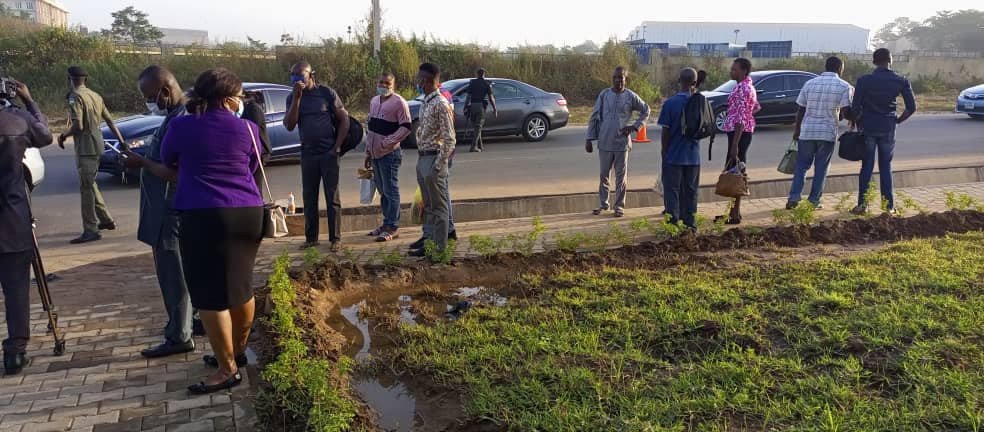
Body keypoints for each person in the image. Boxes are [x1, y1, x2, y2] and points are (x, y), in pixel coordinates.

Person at [135, 68, 263, 394]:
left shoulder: (180, 127)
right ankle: (236, 353)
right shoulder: (248, 129)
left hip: (203, 214)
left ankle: (226, 369)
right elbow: (251, 166)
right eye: (238, 96)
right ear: (228, 98)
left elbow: (169, 164)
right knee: (241, 288)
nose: (240, 102)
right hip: (247, 214)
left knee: (209, 296)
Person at [120, 66, 201, 359]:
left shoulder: (181, 119)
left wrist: (141, 162)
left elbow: (175, 172)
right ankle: (190, 321)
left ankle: (180, 335)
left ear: (165, 91)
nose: (149, 102)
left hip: (170, 212)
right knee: (182, 271)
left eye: (151, 96)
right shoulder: (174, 116)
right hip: (166, 209)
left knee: (173, 274)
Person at [0, 79, 52, 375]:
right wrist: (29, 101)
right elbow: (44, 135)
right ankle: (15, 353)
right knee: (16, 288)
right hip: (12, 220)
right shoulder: (16, 120)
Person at [284, 61, 350, 252]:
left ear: (311, 75)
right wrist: (297, 98)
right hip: (308, 154)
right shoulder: (292, 97)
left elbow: (344, 119)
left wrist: (336, 147)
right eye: (293, 76)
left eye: (300, 76)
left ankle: (335, 239)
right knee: (309, 197)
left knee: (332, 198)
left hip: (328, 153)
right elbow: (289, 125)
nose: (296, 80)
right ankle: (311, 238)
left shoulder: (326, 93)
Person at [56, 66, 125, 244]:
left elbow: (78, 126)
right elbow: (110, 120)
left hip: (85, 149)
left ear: (70, 78)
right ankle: (106, 220)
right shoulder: (96, 96)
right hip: (98, 146)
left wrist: (63, 135)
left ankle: (91, 229)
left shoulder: (75, 97)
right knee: (90, 184)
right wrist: (122, 141)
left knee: (86, 190)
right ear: (85, 79)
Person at [850, 48, 916, 215]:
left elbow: (855, 108)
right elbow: (911, 108)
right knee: (886, 166)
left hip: (868, 126)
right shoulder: (901, 80)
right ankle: (889, 207)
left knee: (866, 166)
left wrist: (858, 122)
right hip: (888, 126)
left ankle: (862, 205)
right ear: (890, 60)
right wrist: (897, 121)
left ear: (874, 61)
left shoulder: (864, 80)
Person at [787, 56, 853, 210]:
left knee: (801, 166)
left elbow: (801, 109)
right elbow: (846, 111)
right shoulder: (844, 86)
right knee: (821, 168)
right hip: (827, 133)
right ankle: (814, 201)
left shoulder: (810, 83)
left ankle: (793, 198)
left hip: (807, 131)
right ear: (839, 68)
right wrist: (853, 119)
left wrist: (797, 130)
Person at [586, 66, 650, 218]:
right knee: (604, 175)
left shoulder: (630, 96)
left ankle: (619, 207)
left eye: (621, 78)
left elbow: (646, 110)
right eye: (615, 78)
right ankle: (603, 204)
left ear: (625, 79)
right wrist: (589, 138)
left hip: (621, 143)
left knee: (621, 177)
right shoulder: (604, 95)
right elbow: (594, 116)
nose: (618, 80)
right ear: (612, 79)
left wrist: (635, 126)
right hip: (604, 142)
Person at [410, 63, 456, 260]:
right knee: (427, 207)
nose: (418, 82)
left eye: (420, 79)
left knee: (439, 208)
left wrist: (438, 165)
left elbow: (450, 139)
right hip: (423, 157)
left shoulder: (440, 104)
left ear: (428, 81)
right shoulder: (426, 102)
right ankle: (429, 244)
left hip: (433, 159)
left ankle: (439, 251)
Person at [365, 73, 412, 242]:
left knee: (391, 191)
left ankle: (393, 226)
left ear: (393, 85)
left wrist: (388, 142)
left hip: (389, 154)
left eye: (387, 83)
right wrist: (368, 152)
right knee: (383, 191)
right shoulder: (374, 101)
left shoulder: (399, 102)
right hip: (375, 154)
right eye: (381, 82)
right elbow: (370, 126)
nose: (384, 86)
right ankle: (386, 223)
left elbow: (406, 127)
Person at [658, 68, 704, 231]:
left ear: (679, 80)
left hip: (674, 156)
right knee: (691, 192)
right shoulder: (700, 102)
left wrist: (664, 152)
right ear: (694, 83)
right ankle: (690, 225)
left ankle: (672, 226)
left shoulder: (670, 104)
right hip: (693, 156)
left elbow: (666, 131)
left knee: (672, 191)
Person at [717, 58, 760, 225]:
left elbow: (741, 118)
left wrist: (735, 143)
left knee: (736, 173)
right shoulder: (747, 86)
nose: (731, 71)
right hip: (740, 132)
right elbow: (755, 107)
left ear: (743, 71)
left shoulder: (743, 89)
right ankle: (734, 212)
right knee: (736, 171)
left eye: (734, 69)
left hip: (739, 133)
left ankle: (735, 215)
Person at [242, 90, 271, 190]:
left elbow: (253, 129)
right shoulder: (246, 108)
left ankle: (259, 202)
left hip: (259, 150)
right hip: (252, 150)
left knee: (256, 183)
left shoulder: (253, 108)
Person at [464, 68, 497, 152]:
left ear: (477, 74)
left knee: (477, 127)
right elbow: (491, 98)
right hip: (480, 107)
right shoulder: (486, 84)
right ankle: (473, 147)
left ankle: (480, 145)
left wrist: (465, 107)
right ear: (484, 74)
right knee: (478, 127)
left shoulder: (472, 83)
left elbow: (468, 96)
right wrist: (495, 109)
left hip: (472, 106)